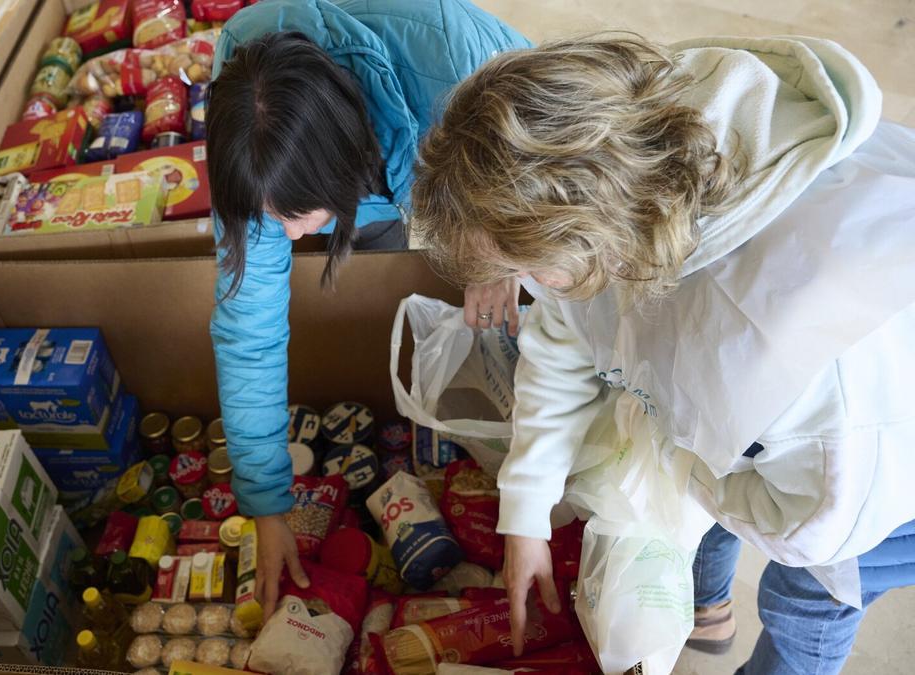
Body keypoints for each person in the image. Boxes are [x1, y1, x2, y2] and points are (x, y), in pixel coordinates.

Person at [412, 34, 915, 673]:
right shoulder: (627, 151)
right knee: (708, 498)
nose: (533, 286)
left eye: (533, 268)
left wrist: (681, 449)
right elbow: (564, 339)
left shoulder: (790, 341)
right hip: (794, 438)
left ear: (594, 241)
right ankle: (707, 609)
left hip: (883, 476)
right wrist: (527, 510)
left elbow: (812, 527)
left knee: (805, 603)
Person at [205, 0, 530, 619]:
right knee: (379, 253)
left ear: (347, 161)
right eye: (271, 217)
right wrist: (267, 504)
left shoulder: (468, 67)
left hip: (483, 147)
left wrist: (498, 257)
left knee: (512, 283)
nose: (293, 238)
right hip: (367, 175)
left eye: (297, 215)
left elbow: (569, 178)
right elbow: (248, 326)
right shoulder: (245, 126)